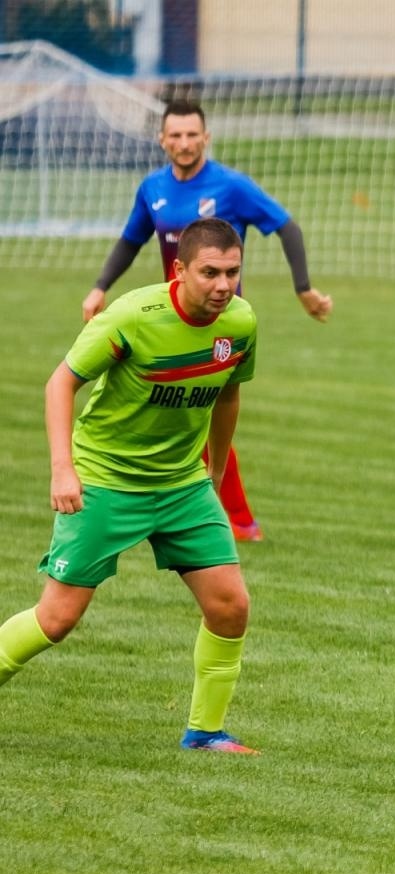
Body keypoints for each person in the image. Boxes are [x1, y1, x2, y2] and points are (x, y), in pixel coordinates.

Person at [0, 219, 259, 753]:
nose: (223, 285)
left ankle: (205, 734)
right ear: (180, 270)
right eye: (211, 272)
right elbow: (61, 382)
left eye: (233, 272)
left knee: (230, 606)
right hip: (106, 481)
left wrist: (214, 470)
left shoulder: (240, 321)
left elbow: (229, 393)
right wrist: (62, 468)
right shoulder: (131, 317)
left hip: (182, 486)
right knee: (57, 618)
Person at [82, 99, 334, 542]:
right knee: (187, 416)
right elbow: (130, 240)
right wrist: (100, 286)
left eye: (192, 134)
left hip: (217, 326)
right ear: (162, 140)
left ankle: (231, 519)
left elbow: (286, 226)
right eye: (175, 135)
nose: (184, 143)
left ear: (206, 137)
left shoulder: (231, 187)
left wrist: (304, 288)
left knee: (200, 413)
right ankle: (224, 517)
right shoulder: (152, 187)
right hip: (167, 321)